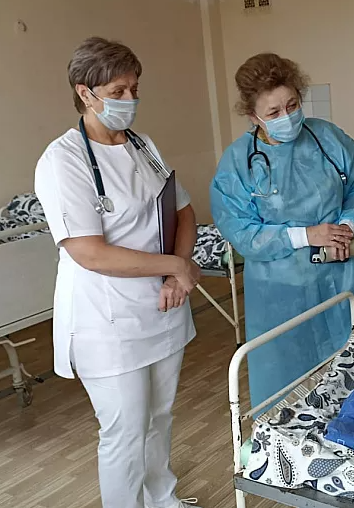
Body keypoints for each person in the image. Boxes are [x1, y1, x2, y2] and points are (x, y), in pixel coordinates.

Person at [34, 37, 202, 508]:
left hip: (164, 305)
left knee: (159, 418)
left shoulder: (143, 145)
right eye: (118, 92)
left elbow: (183, 212)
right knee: (125, 432)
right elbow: (90, 253)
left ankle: (163, 499)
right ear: (85, 93)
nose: (131, 100)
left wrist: (175, 276)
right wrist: (175, 266)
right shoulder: (63, 160)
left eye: (134, 89)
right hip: (107, 321)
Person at [210, 53, 354, 411]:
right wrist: (306, 235)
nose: (286, 117)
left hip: (341, 278)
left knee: (350, 372)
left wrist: (346, 226)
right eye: (273, 112)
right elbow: (242, 232)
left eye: (292, 105)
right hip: (279, 292)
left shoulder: (327, 139)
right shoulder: (238, 163)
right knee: (284, 385)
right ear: (252, 115)